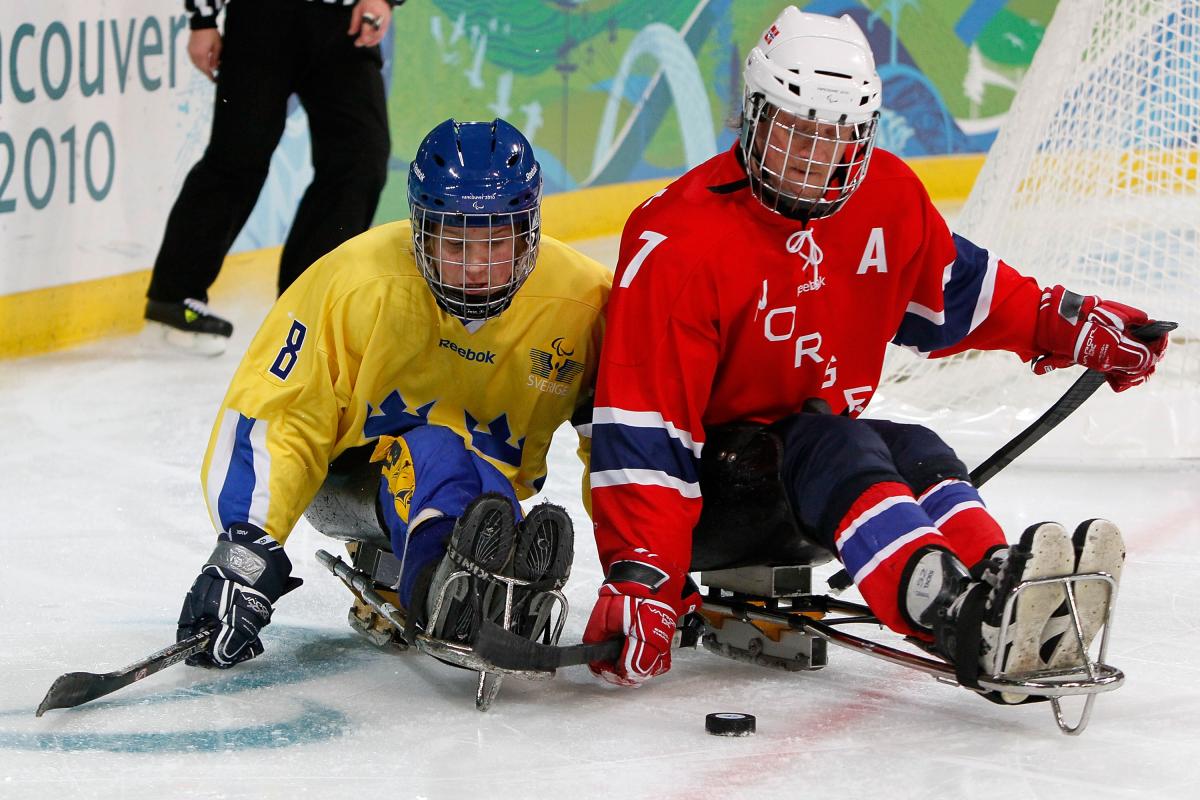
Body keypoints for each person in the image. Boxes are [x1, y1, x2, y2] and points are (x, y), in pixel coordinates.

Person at [582, 7, 1169, 702]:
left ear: (862, 137)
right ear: (752, 116)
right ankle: (951, 611)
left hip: (807, 475)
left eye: (835, 137)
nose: (811, 158)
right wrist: (646, 573)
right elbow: (643, 430)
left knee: (914, 445)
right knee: (831, 442)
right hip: (702, 500)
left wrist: (1064, 323)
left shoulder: (886, 197)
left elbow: (964, 292)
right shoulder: (676, 239)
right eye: (794, 132)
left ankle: (1003, 583)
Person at [175, 118, 611, 668]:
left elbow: (621, 442)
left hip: (491, 493)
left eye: (497, 242)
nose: (476, 270)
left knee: (482, 487)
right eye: (454, 243)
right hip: (352, 484)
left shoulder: (586, 302)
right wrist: (244, 552)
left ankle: (490, 568)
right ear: (419, 231)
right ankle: (434, 585)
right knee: (436, 450)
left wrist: (642, 569)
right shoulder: (353, 283)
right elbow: (279, 415)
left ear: (530, 231)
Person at [145, 0, 404, 354]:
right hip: (262, 18)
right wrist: (202, 18)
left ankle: (307, 305)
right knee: (238, 155)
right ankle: (173, 300)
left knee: (361, 158)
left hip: (346, 19)